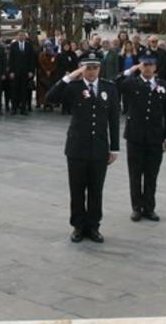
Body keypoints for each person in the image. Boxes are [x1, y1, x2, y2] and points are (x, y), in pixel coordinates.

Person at [46, 52, 119, 244]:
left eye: (95, 67)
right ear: (82, 68)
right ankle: (78, 226)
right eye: (88, 67)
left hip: (99, 148)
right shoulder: (73, 87)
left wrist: (115, 148)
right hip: (77, 148)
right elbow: (50, 97)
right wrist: (70, 76)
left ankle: (93, 226)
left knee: (96, 189)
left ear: (99, 69)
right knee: (77, 189)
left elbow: (114, 119)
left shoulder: (109, 88)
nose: (92, 71)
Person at [120, 52, 166, 222]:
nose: (147, 68)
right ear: (140, 66)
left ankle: (149, 207)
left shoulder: (163, 85)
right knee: (135, 174)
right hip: (135, 136)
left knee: (151, 174)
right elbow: (114, 83)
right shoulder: (132, 83)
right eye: (144, 65)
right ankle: (136, 207)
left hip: (155, 137)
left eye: (150, 65)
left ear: (155, 67)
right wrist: (130, 70)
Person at [9, 31, 36, 116]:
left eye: (23, 35)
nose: (21, 37)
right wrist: (11, 71)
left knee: (24, 91)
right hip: (15, 72)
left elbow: (32, 59)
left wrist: (31, 71)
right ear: (17, 36)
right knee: (14, 90)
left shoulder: (29, 46)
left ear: (25, 37)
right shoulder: (13, 46)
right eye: (20, 35)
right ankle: (14, 108)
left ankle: (23, 109)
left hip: (26, 72)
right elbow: (11, 60)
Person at [36, 44, 58, 110]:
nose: (48, 49)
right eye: (47, 47)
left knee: (50, 89)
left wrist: (50, 71)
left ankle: (50, 103)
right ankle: (44, 103)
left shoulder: (54, 55)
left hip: (51, 75)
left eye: (49, 47)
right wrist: (46, 71)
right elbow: (41, 63)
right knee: (43, 90)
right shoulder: (41, 54)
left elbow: (55, 64)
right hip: (43, 74)